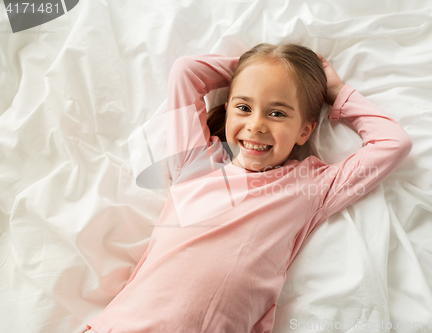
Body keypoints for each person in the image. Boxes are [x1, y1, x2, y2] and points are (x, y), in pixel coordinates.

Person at [83, 43, 412, 332]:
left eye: (277, 113)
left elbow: (392, 144)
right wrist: (263, 65)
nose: (256, 124)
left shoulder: (310, 187)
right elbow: (187, 72)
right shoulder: (196, 163)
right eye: (243, 107)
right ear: (226, 113)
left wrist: (334, 89)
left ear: (304, 131)